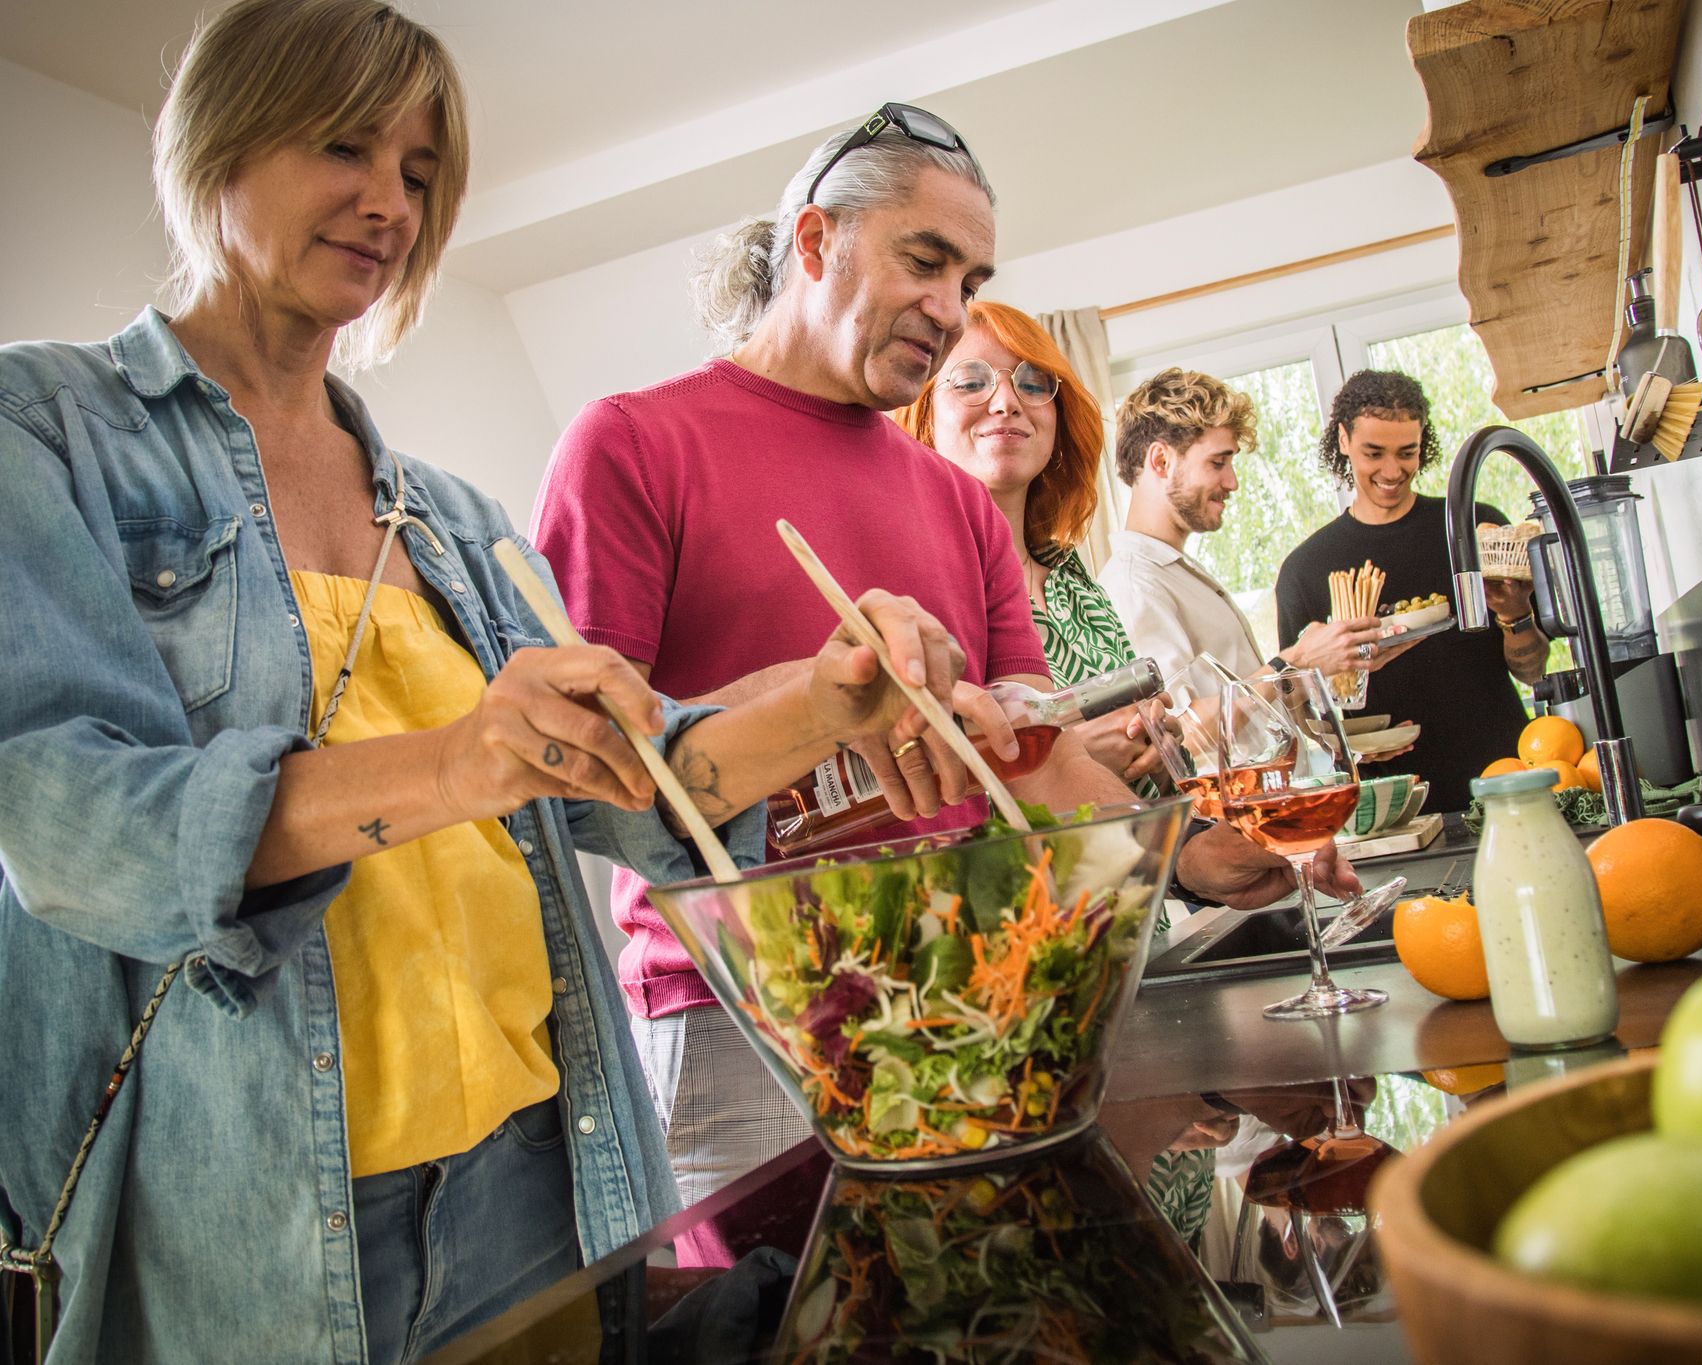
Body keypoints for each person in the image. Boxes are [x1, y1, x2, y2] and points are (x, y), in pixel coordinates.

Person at [0, 6, 974, 1360]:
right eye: (345, 145)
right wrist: (464, 758)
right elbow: (68, 819)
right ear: (214, 142)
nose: (388, 202)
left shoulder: (452, 518)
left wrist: (829, 699)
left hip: (541, 1165)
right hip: (262, 1214)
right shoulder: (45, 428)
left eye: (418, 172)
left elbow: (627, 796)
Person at [532, 107, 1359, 1214]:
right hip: (746, 1014)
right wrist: (817, 699)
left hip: (980, 983)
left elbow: (1034, 753)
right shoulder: (631, 445)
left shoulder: (949, 501)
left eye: (968, 278)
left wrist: (1192, 856)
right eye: (924, 261)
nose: (948, 309)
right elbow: (581, 773)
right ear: (815, 243)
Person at [896, 300, 1165, 788]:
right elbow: (909, 788)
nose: (1006, 402)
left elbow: (1133, 732)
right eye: (972, 382)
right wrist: (1072, 758)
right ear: (924, 419)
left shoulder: (1071, 573)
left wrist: (1155, 743)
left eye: (1032, 383)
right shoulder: (911, 588)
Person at [1275, 369, 1543, 813]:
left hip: (1505, 778)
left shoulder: (1474, 528)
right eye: (1373, 452)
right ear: (1343, 440)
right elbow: (1296, 709)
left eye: (1407, 452)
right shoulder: (1307, 569)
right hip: (1393, 804)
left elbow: (1532, 670)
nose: (1392, 470)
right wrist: (1343, 750)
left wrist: (1516, 616)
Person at [1099, 367, 1414, 688]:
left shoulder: (1172, 571)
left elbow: (1243, 718)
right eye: (1217, 462)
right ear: (1161, 461)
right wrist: (1299, 659)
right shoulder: (1134, 587)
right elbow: (1183, 729)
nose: (1232, 482)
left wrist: (1330, 662)